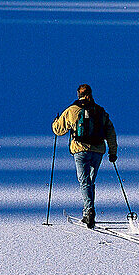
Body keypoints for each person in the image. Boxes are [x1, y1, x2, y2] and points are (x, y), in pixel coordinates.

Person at [52, 83, 118, 228]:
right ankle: (88, 211)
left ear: (78, 94)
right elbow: (110, 132)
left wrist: (55, 122)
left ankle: (89, 211)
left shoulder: (72, 110)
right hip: (98, 151)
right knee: (90, 181)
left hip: (80, 150)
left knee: (84, 182)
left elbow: (58, 130)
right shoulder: (100, 111)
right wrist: (113, 152)